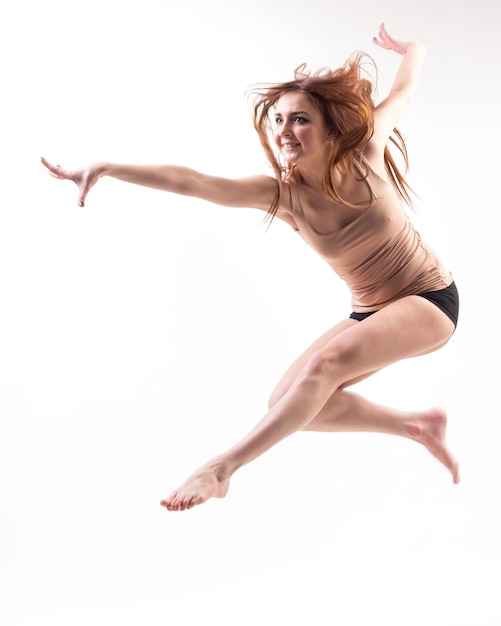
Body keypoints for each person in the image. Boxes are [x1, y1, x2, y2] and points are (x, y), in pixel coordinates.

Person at [41, 24, 460, 512]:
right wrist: (110, 167)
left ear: (330, 128)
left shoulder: (368, 153)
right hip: (369, 311)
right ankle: (414, 426)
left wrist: (414, 47)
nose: (284, 130)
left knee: (323, 368)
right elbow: (192, 182)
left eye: (300, 119)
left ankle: (221, 468)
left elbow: (404, 89)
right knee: (286, 403)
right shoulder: (282, 197)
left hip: (429, 301)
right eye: (278, 120)